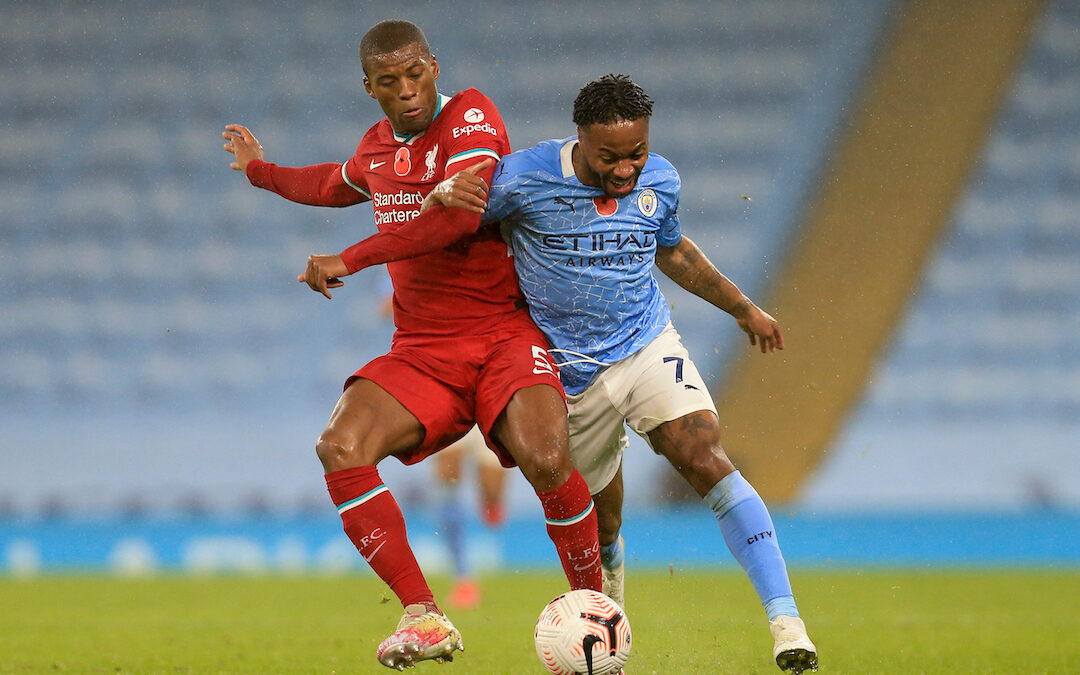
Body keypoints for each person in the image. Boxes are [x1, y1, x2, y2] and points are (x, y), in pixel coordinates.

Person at [221, 20, 601, 670]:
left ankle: (595, 607)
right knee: (339, 445)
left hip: (502, 332)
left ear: (432, 65)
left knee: (545, 457)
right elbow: (330, 183)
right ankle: (424, 614)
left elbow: (456, 216)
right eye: (389, 81)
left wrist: (351, 258)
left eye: (415, 73)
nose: (406, 91)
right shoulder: (376, 150)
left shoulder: (471, 116)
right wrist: (259, 170)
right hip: (424, 349)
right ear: (369, 86)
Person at [425, 74, 819, 674]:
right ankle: (609, 603)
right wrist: (441, 196)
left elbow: (675, 251)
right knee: (603, 519)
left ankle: (786, 621)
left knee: (703, 451)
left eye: (635, 152)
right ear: (579, 138)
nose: (625, 168)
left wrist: (744, 308)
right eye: (610, 156)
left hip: (643, 343)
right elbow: (453, 226)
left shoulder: (659, 178)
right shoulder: (523, 177)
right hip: (565, 372)